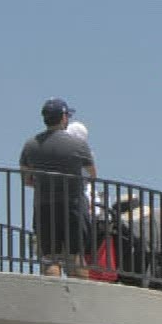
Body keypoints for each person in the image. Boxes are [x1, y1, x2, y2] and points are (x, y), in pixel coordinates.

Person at [19, 98, 96, 276]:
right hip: (74, 204)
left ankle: (52, 298)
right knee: (76, 255)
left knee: (50, 256)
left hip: (44, 205)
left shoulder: (30, 145)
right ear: (63, 117)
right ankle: (79, 297)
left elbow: (26, 180)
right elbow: (92, 174)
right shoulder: (78, 144)